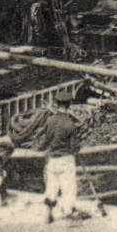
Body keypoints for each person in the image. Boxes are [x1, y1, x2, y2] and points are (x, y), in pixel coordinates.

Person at [41, 92, 81, 223]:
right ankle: (68, 211)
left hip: (52, 159)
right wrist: (77, 149)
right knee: (68, 187)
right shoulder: (70, 124)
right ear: (69, 105)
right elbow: (74, 146)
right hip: (65, 159)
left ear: (56, 104)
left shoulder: (49, 121)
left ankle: (48, 212)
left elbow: (46, 139)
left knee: (52, 186)